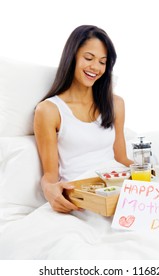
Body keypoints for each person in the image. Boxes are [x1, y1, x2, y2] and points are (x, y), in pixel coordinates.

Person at [34, 25, 133, 213]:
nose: (95, 67)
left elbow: (121, 158)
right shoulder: (49, 110)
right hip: (86, 196)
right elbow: (50, 175)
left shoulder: (116, 104)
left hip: (120, 190)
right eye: (89, 58)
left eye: (103, 62)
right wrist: (50, 191)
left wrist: (152, 174)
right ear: (72, 56)